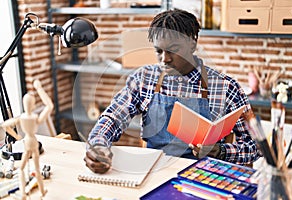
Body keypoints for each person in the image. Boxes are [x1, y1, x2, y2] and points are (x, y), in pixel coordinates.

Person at [84, 9, 261, 174]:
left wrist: (221, 151)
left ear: (192, 44)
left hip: (203, 177)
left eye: (173, 51)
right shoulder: (143, 79)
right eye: (158, 51)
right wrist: (98, 146)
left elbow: (255, 147)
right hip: (155, 173)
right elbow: (113, 118)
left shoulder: (226, 88)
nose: (165, 59)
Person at [1, 80, 53, 199]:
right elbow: (49, 106)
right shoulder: (34, 117)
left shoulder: (21, 117)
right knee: (37, 169)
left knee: (22, 168)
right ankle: (41, 191)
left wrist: (17, 136)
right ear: (33, 105)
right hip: (34, 143)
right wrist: (39, 88)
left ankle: (24, 192)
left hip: (26, 142)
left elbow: (4, 125)